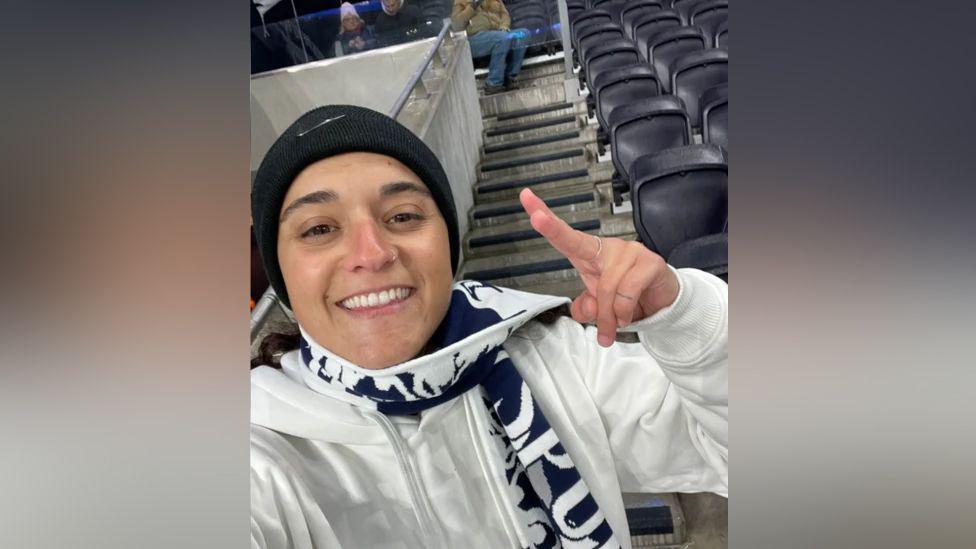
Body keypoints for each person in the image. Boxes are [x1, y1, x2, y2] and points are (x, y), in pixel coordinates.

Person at [250, 105, 728, 548]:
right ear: (283, 276)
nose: (372, 253)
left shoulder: (554, 357)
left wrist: (688, 322)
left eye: (403, 216)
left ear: (448, 245)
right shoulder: (261, 452)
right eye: (319, 229)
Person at [452, 0, 529, 94]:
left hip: (498, 34)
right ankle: (493, 84)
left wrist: (504, 26)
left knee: (523, 34)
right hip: (475, 38)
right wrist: (473, 6)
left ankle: (509, 76)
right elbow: (456, 25)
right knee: (501, 38)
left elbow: (504, 14)